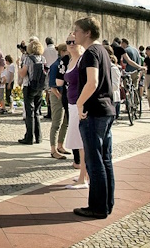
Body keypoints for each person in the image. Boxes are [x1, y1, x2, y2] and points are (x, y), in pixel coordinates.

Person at [73, 16, 116, 219]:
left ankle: (97, 207)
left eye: (77, 31)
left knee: (94, 161)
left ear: (87, 32)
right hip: (106, 110)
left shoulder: (91, 52)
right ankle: (106, 203)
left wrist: (80, 103)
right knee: (105, 159)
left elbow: (92, 82)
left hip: (94, 112)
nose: (74, 35)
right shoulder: (103, 51)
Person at [60, 33, 87, 187]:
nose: (71, 44)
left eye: (73, 41)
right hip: (71, 104)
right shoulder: (71, 60)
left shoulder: (82, 60)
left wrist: (81, 104)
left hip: (79, 104)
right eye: (68, 41)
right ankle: (84, 174)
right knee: (78, 142)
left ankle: (84, 177)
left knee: (82, 143)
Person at [17, 39, 45, 145]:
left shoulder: (29, 59)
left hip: (29, 86)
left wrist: (18, 66)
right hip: (39, 87)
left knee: (29, 112)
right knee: (37, 112)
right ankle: (39, 137)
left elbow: (23, 73)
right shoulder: (43, 58)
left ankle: (29, 137)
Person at [47, 44, 68, 158]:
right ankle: (53, 149)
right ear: (63, 51)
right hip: (57, 95)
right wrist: (60, 97)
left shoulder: (64, 63)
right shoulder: (56, 65)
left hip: (64, 95)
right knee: (57, 123)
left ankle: (60, 145)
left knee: (65, 122)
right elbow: (52, 86)